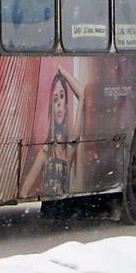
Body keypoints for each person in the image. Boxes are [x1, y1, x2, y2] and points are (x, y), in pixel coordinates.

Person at [20, 65, 84, 198]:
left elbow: (82, 95)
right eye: (55, 100)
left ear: (66, 107)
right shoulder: (45, 151)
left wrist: (63, 72)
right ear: (52, 108)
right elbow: (23, 192)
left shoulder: (69, 146)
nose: (59, 103)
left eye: (62, 97)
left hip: (64, 209)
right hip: (50, 208)